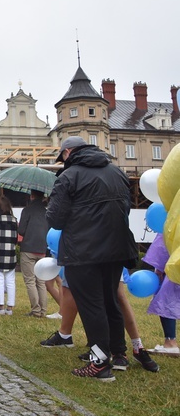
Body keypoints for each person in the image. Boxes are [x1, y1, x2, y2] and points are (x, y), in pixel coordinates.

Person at [47, 136, 139, 382]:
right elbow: (125, 208)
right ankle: (118, 354)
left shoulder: (69, 176)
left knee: (91, 305)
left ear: (67, 153)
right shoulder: (117, 172)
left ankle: (99, 363)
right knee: (111, 301)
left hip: (83, 251)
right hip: (117, 248)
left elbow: (55, 219)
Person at [143, 234, 179, 356]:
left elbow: (166, 239)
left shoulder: (173, 218)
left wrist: (159, 267)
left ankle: (170, 342)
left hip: (173, 263)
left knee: (166, 298)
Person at [17, 190, 49, 318]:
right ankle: (44, 311)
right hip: (42, 249)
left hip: (28, 249)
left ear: (32, 196)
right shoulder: (47, 212)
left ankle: (36, 310)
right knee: (41, 282)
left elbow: (21, 230)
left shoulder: (27, 210)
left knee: (30, 281)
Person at [0, 195, 18, 316]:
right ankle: (9, 308)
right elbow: (15, 239)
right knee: (11, 281)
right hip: (10, 255)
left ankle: (0, 307)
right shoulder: (14, 220)